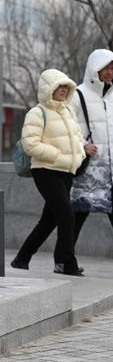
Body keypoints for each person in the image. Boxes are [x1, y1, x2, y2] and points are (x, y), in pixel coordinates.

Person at [10, 69, 90, 276]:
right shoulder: (37, 113)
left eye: (66, 87)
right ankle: (66, 262)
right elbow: (30, 144)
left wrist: (80, 154)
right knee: (66, 216)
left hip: (66, 172)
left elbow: (78, 137)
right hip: (46, 171)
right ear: (49, 89)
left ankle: (21, 259)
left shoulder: (68, 111)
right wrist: (56, 155)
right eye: (59, 86)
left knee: (49, 220)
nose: (63, 90)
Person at [70, 49, 113, 244]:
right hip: (88, 170)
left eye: (112, 68)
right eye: (105, 68)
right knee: (79, 214)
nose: (109, 72)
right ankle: (64, 259)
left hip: (110, 171)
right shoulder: (78, 94)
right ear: (94, 69)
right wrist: (83, 145)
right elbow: (67, 126)